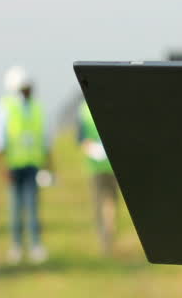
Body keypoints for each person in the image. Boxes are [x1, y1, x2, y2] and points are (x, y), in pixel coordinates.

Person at [0, 65, 54, 265]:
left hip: (32, 164)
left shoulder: (37, 107)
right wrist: (2, 167)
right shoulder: (5, 107)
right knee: (16, 207)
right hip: (13, 165)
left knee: (32, 206)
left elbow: (45, 139)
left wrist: (49, 165)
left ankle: (35, 245)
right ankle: (16, 246)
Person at [77, 101, 118, 255]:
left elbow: (81, 139)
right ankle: (108, 239)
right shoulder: (110, 105)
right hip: (106, 166)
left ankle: (105, 240)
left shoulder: (83, 111)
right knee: (109, 204)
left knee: (101, 204)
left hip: (98, 166)